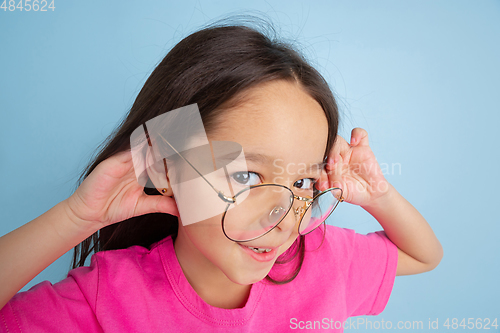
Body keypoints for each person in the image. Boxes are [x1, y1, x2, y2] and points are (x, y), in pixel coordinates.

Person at [0, 20, 443, 332]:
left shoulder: (320, 261)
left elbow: (425, 257)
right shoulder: (108, 297)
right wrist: (77, 217)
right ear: (166, 166)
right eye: (247, 175)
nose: (282, 215)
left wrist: (377, 196)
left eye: (303, 182)